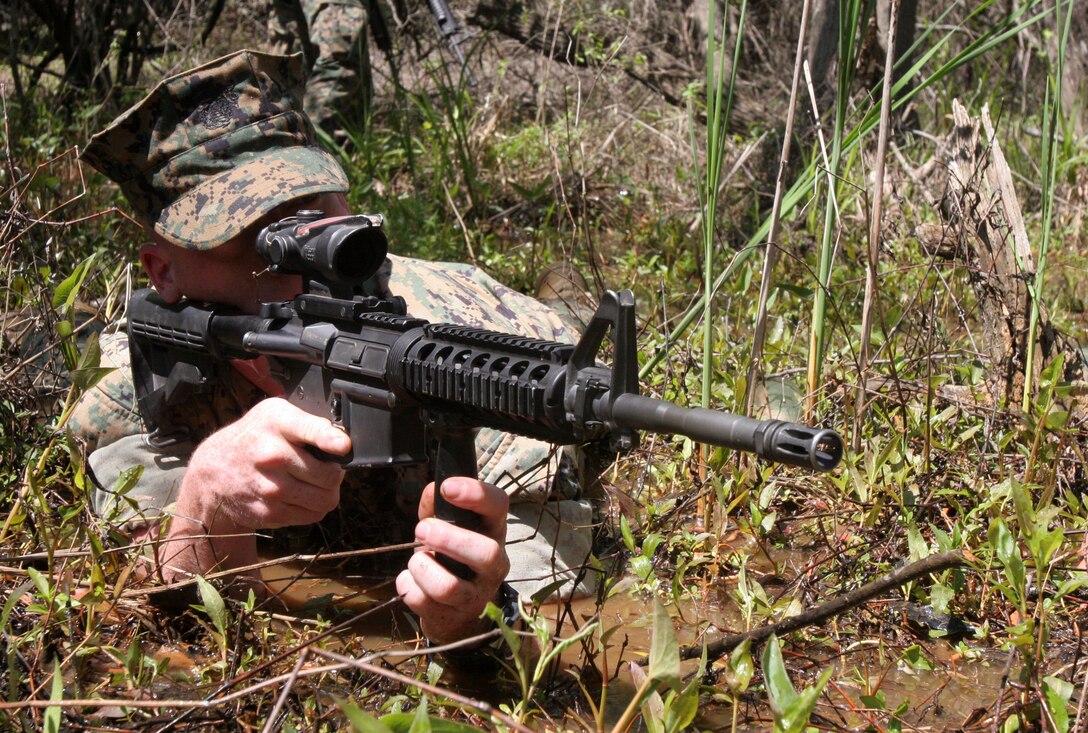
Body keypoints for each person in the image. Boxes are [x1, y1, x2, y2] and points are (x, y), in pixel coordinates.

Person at [72, 49, 598, 650]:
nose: (301, 272)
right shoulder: (137, 390)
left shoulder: (481, 373)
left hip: (531, 327)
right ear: (163, 274)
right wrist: (207, 494)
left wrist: (468, 622)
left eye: (318, 218)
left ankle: (564, 289)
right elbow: (159, 615)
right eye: (253, 238)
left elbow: (549, 625)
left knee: (570, 315)